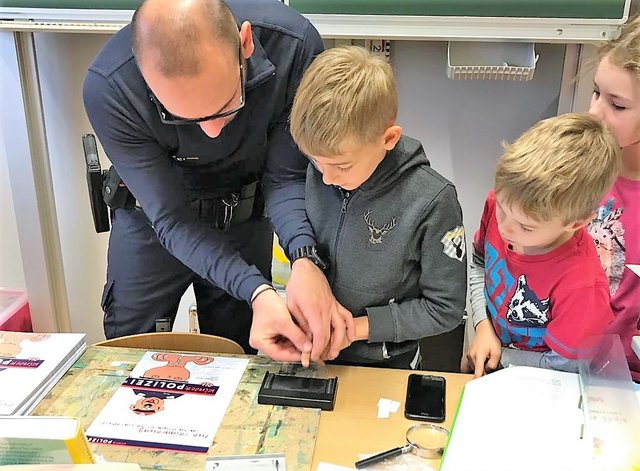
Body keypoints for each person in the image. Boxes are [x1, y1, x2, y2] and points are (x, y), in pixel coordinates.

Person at [82, 0, 353, 363]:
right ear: (144, 78)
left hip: (244, 209)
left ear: (245, 44)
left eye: (226, 105)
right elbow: (172, 220)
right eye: (182, 117)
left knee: (239, 352)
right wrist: (258, 290)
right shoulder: (110, 87)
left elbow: (285, 178)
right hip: (154, 219)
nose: (210, 133)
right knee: (129, 356)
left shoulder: (294, 48)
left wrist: (305, 259)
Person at [289, 46, 467, 369]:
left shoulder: (433, 201)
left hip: (386, 365)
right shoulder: (326, 166)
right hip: (313, 351)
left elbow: (445, 308)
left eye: (341, 166)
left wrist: (354, 329)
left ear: (388, 139)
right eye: (316, 162)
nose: (326, 178)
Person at [462, 113, 620, 378]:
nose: (504, 228)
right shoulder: (503, 203)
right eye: (501, 208)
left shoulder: (582, 285)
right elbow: (479, 264)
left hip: (537, 380)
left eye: (526, 227)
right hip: (486, 344)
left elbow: (565, 364)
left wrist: (498, 353)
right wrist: (481, 326)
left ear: (575, 223)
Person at [588, 14, 640, 382]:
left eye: (617, 105)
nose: (594, 112)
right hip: (561, 362)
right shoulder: (581, 167)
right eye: (596, 92)